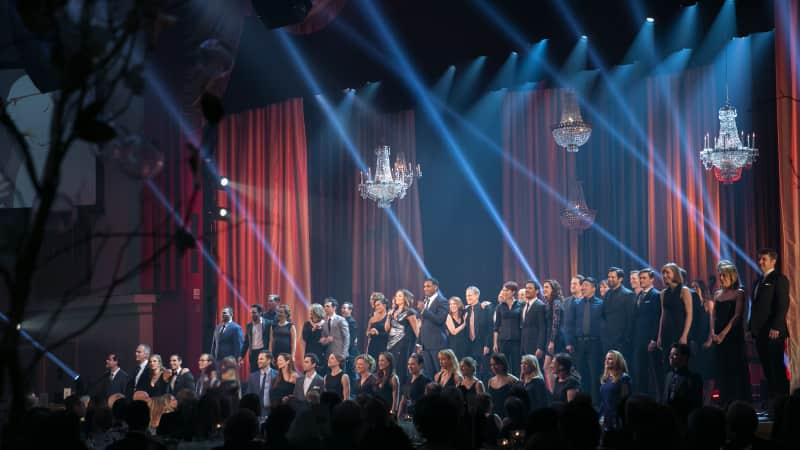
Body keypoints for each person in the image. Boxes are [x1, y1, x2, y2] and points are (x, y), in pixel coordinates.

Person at [750, 248, 790, 412]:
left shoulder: (779, 279)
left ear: (773, 261)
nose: (760, 262)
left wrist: (776, 327)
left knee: (776, 368)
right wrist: (750, 327)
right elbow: (756, 308)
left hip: (773, 332)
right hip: (760, 333)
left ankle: (783, 405)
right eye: (759, 259)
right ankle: (773, 403)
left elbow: (782, 304)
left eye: (764, 259)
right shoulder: (758, 281)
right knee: (767, 368)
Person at [711, 262, 751, 406]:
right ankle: (725, 401)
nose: (721, 278)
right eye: (720, 275)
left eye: (724, 275)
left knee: (735, 368)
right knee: (722, 369)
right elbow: (713, 315)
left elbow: (737, 316)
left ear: (732, 276)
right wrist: (713, 333)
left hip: (733, 336)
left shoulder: (739, 292)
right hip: (718, 336)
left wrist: (723, 334)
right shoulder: (717, 294)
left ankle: (738, 403)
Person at [565, 277, 604, 405]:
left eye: (586, 285)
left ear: (593, 288)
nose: (583, 287)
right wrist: (569, 342)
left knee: (594, 374)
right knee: (580, 374)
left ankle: (595, 404)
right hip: (579, 343)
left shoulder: (600, 303)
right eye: (582, 285)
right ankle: (582, 403)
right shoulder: (576, 304)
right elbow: (569, 324)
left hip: (594, 343)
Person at [632, 268, 664, 398]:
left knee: (656, 372)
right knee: (640, 371)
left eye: (644, 278)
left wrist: (653, 339)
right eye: (640, 278)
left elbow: (657, 318)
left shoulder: (656, 295)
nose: (641, 280)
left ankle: (660, 398)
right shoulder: (639, 295)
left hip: (650, 340)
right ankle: (642, 398)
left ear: (652, 279)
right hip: (638, 339)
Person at [663, 343, 703, 427]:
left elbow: (696, 406)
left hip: (684, 424)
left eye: (675, 354)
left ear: (684, 357)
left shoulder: (693, 379)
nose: (670, 357)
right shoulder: (669, 376)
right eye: (670, 354)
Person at [657, 263, 693, 354]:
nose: (665, 275)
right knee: (666, 361)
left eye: (667, 272)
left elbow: (689, 314)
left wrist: (684, 335)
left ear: (675, 273)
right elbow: (663, 314)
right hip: (666, 331)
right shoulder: (663, 293)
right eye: (663, 273)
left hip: (679, 330)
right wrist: (659, 336)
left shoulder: (684, 291)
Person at [386, 289, 419, 385]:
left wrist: (419, 345)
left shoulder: (410, 312)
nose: (397, 298)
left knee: (401, 368)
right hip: (391, 344)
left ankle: (403, 392)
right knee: (392, 367)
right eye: (396, 296)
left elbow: (417, 331)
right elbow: (387, 329)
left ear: (405, 298)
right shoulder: (393, 312)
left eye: (400, 296)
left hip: (403, 344)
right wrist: (388, 316)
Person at [418, 277, 449, 375]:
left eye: (428, 286)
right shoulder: (425, 301)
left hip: (436, 344)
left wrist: (424, 311)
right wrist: (419, 341)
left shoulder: (442, 301)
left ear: (435, 287)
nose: (425, 288)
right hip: (425, 344)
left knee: (439, 371)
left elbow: (440, 320)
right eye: (424, 286)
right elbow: (423, 324)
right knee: (428, 372)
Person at [603, 267, 635, 357]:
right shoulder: (607, 294)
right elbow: (604, 316)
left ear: (620, 279)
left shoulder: (628, 294)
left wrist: (626, 339)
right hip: (607, 340)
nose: (610, 279)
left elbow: (631, 319)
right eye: (609, 277)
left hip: (622, 341)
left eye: (613, 277)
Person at [463, 286, 493, 380]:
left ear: (477, 295)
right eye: (467, 296)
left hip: (483, 345)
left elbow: (490, 328)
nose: (468, 298)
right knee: (472, 371)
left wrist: (487, 345)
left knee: (484, 371)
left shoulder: (485, 308)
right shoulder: (466, 310)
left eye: (470, 295)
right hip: (470, 345)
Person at [493, 281, 522, 375]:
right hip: (503, 340)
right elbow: (496, 327)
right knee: (503, 365)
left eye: (507, 290)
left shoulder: (520, 305)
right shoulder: (500, 307)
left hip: (516, 340)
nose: (504, 292)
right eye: (503, 290)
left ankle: (517, 386)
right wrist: (495, 343)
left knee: (516, 364)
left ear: (513, 292)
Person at [599, 350, 631, 431]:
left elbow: (625, 400)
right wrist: (601, 416)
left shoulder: (624, 378)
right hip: (605, 418)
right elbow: (604, 401)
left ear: (617, 361)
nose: (606, 360)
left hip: (617, 419)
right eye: (606, 358)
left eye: (610, 358)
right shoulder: (605, 379)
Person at [542, 280, 565, 390]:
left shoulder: (556, 302)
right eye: (544, 287)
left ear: (553, 290)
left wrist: (552, 341)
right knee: (548, 367)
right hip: (550, 337)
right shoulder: (549, 302)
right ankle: (553, 392)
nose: (544, 289)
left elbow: (556, 323)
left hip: (556, 338)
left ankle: (556, 392)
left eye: (547, 287)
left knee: (552, 367)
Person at [520, 281, 547, 367]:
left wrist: (540, 347)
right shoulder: (524, 305)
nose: (527, 290)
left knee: (536, 370)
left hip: (534, 345)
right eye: (526, 288)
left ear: (537, 291)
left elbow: (542, 328)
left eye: (530, 288)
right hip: (524, 345)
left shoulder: (540, 306)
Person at [241, 304, 271, 371]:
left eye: (254, 312)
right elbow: (246, 342)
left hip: (263, 352)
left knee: (264, 372)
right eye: (251, 312)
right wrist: (241, 355)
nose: (252, 314)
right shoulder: (249, 326)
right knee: (254, 373)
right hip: (253, 353)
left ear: (260, 313)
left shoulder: (268, 323)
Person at [245, 350, 277, 414]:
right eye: (258, 359)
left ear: (268, 361)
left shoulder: (277, 375)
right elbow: (248, 394)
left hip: (272, 411)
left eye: (261, 359)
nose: (258, 361)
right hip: (256, 411)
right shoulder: (252, 376)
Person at [399, 353, 430, 419]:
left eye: (412, 364)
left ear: (420, 365)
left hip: (418, 417)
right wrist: (398, 416)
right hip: (405, 417)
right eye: (408, 364)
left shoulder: (426, 381)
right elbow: (403, 400)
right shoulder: (407, 379)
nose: (409, 366)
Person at [321, 297, 350, 364]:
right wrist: (326, 340)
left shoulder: (341, 320)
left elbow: (347, 337)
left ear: (334, 308)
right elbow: (323, 339)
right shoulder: (324, 321)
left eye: (328, 306)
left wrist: (344, 354)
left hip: (340, 354)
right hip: (328, 354)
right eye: (324, 306)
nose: (325, 308)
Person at [302, 303, 327, 372]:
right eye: (310, 311)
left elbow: (327, 338)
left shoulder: (325, 324)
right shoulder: (307, 324)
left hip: (321, 351)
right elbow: (305, 337)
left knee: (319, 371)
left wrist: (324, 339)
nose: (310, 313)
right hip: (310, 350)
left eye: (312, 311)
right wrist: (312, 330)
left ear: (317, 312)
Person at [366, 293, 389, 361]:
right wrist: (370, 332)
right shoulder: (371, 317)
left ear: (384, 305)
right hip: (372, 346)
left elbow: (390, 333)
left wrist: (378, 333)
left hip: (383, 346)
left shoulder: (389, 316)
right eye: (376, 306)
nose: (376, 307)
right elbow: (367, 332)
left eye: (378, 305)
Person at [445, 296, 469, 361]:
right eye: (450, 304)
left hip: (464, 345)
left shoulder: (462, 314)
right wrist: (464, 324)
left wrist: (484, 303)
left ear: (459, 305)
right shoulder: (448, 316)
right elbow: (454, 332)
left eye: (454, 304)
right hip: (454, 346)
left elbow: (469, 307)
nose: (452, 306)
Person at [340, 301, 359, 378]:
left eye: (345, 308)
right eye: (342, 308)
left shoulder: (352, 322)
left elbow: (352, 339)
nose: (343, 310)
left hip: (350, 352)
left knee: (351, 373)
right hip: (343, 350)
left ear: (350, 310)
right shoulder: (341, 320)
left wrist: (345, 351)